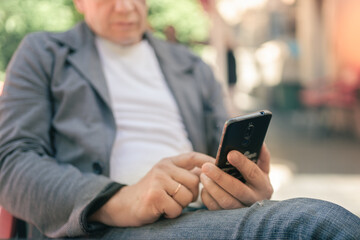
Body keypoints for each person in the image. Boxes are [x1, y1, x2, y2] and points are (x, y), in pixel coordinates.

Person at [0, 0, 359, 239]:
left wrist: (242, 189)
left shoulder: (191, 66)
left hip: (194, 215)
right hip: (97, 226)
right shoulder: (43, 54)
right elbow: (11, 163)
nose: (125, 6)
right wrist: (119, 200)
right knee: (313, 225)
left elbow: (223, 155)